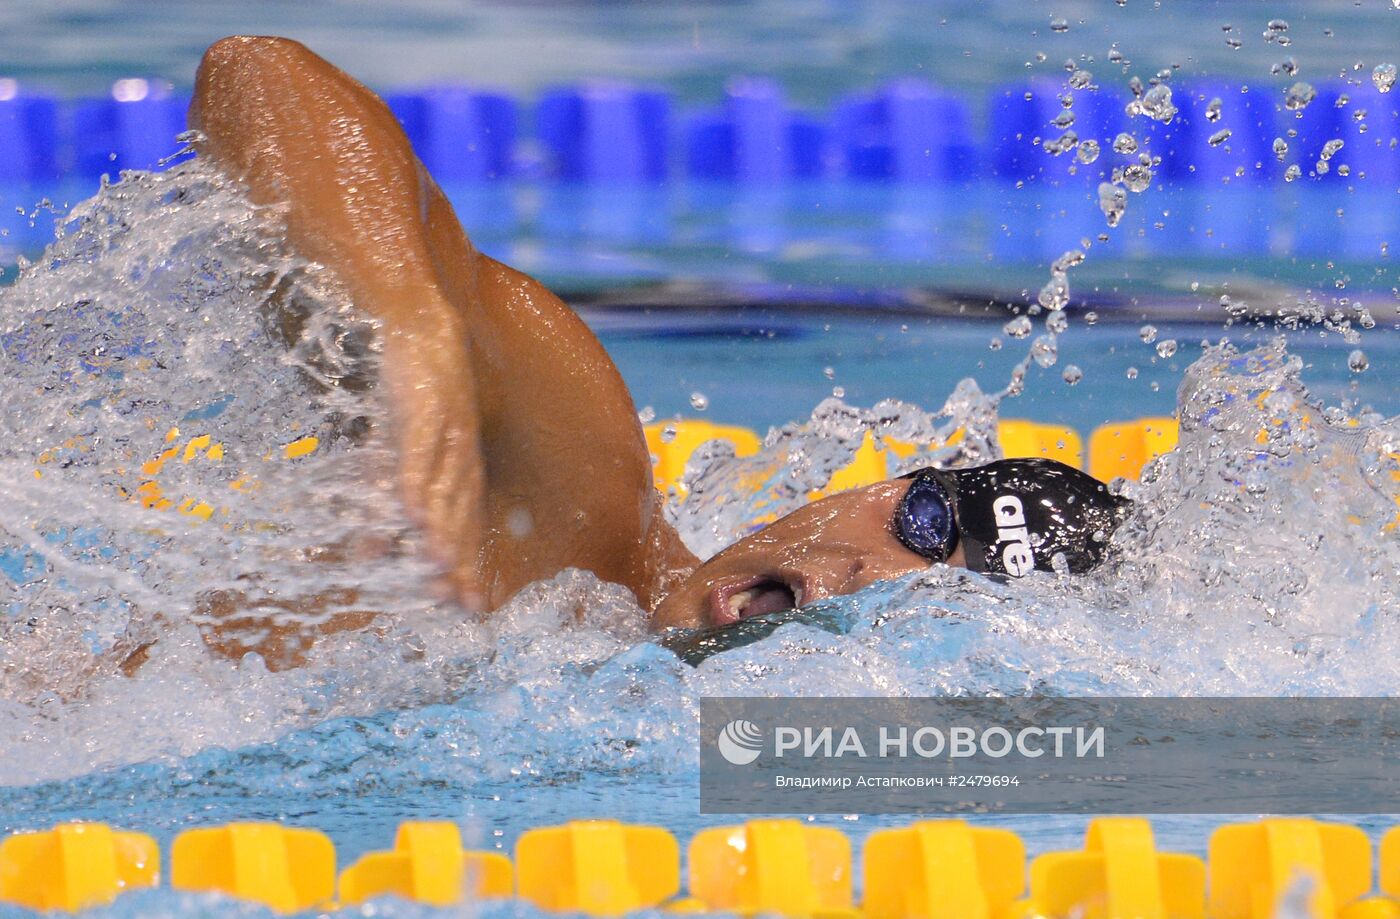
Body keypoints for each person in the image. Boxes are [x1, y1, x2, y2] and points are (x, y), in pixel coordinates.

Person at [187, 36, 1129, 660]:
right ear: (876, 487)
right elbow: (257, 78)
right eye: (921, 524)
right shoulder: (572, 509)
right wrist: (409, 323)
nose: (862, 578)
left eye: (937, 607)